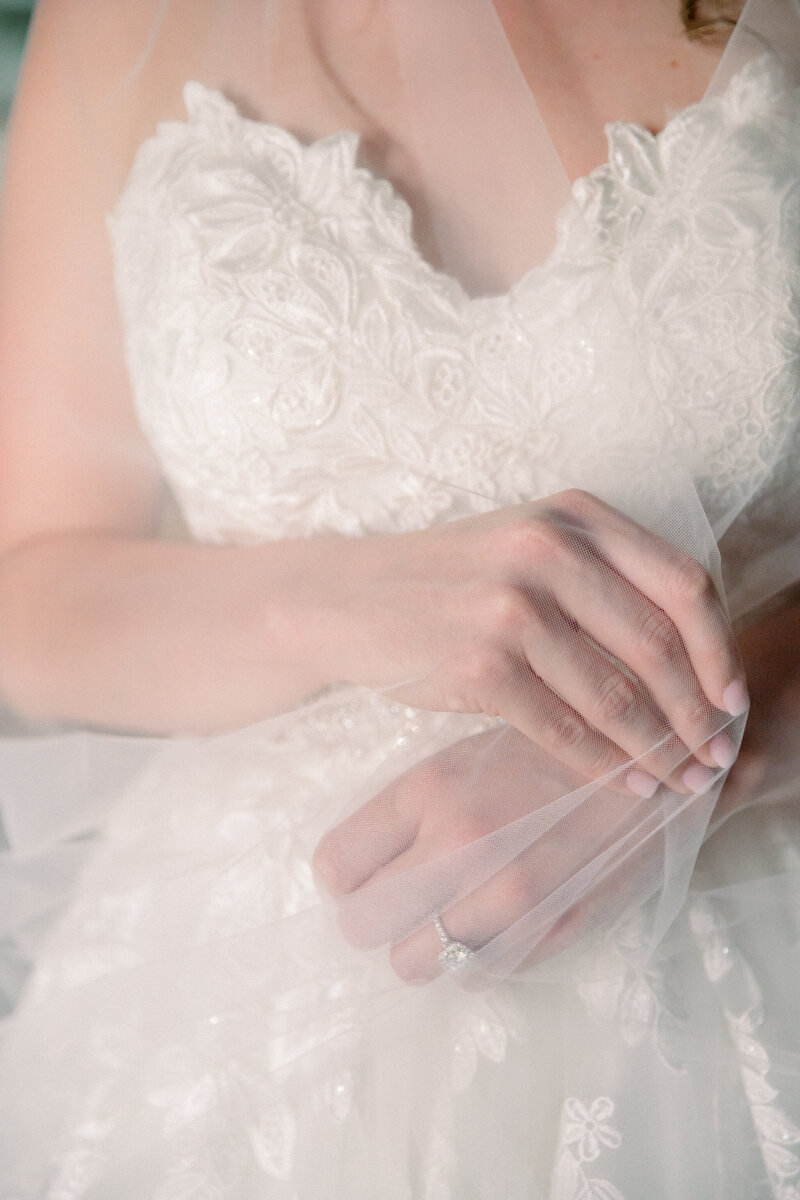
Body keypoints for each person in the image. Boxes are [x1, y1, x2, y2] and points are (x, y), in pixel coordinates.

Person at [0, 0, 799, 1195]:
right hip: (231, 1020)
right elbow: (30, 582)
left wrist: (681, 761)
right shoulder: (119, 22)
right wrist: (327, 603)